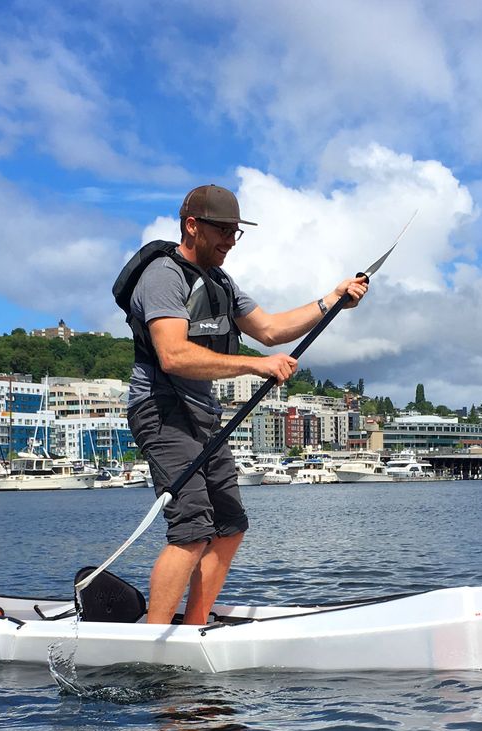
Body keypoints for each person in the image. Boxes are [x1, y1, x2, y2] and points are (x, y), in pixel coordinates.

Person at [124, 184, 368, 625]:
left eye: (236, 233)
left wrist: (332, 300)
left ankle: (195, 624)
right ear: (192, 226)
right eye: (222, 231)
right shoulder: (164, 276)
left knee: (231, 526)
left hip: (202, 416)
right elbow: (173, 354)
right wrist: (254, 367)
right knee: (192, 529)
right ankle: (150, 639)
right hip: (161, 409)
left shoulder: (221, 283)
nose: (230, 242)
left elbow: (272, 330)